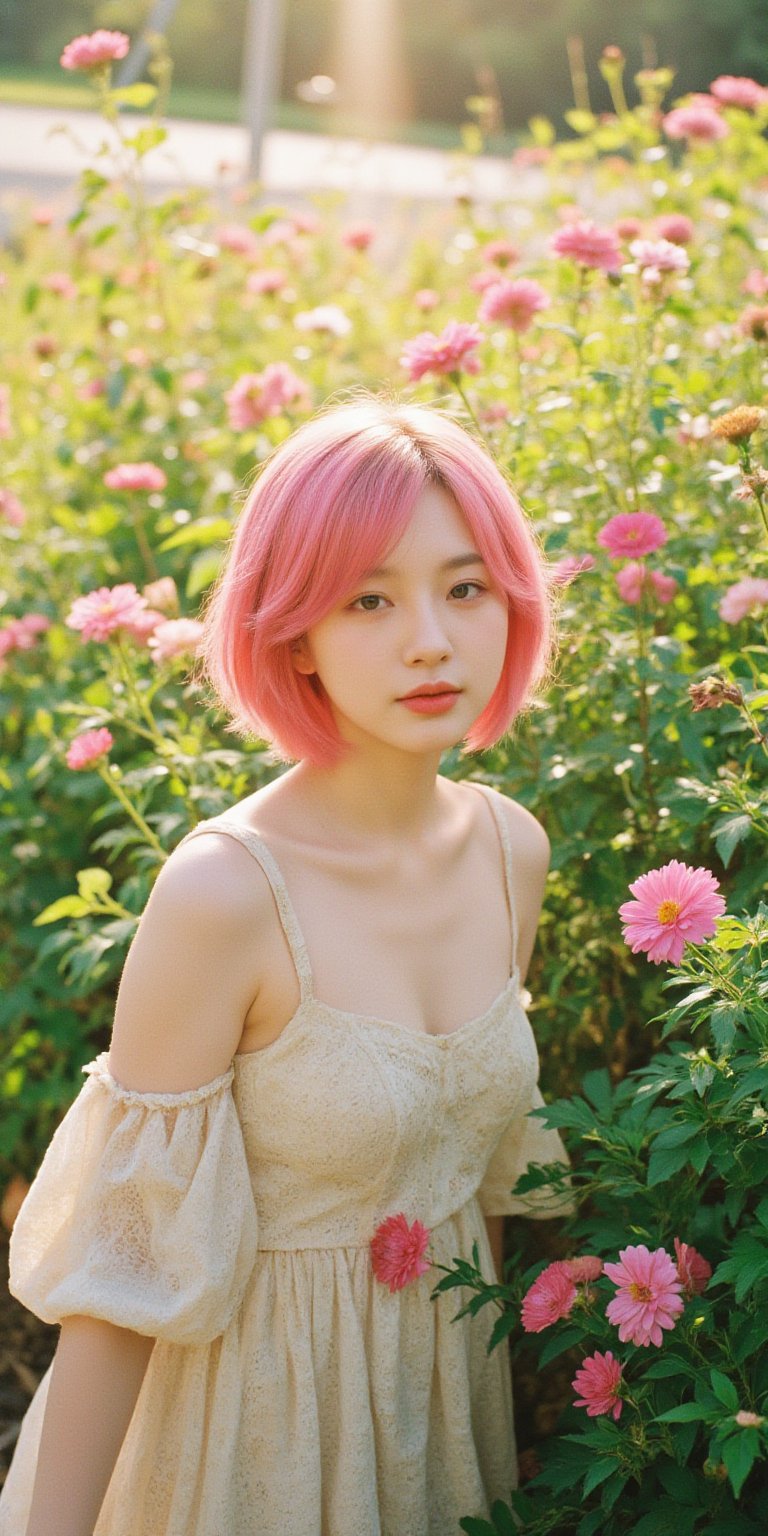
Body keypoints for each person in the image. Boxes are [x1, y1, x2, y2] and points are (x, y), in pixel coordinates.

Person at [0, 394, 573, 1536]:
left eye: (464, 588)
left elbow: (473, 1179)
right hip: (245, 1440)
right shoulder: (226, 895)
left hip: (436, 1428)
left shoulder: (511, 850)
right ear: (292, 630)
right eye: (369, 598)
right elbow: (123, 1283)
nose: (430, 638)